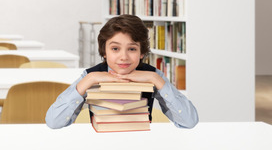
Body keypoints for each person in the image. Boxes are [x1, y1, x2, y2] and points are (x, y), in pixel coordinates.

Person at [45, 14, 198, 129]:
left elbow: (189, 122)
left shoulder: (152, 75)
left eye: (132, 49)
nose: (123, 57)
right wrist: (87, 81)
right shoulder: (91, 75)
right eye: (115, 49)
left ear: (142, 52)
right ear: (104, 51)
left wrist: (156, 79)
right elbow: (53, 122)